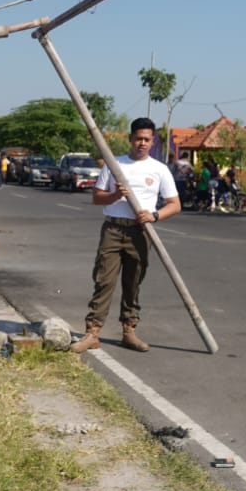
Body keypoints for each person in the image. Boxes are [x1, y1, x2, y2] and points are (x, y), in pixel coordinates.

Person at [70, 118, 181, 354]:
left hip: (141, 231)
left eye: (147, 139)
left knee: (133, 282)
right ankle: (92, 333)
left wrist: (155, 215)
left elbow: (174, 204)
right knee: (104, 281)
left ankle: (129, 331)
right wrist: (114, 196)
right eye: (138, 138)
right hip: (113, 229)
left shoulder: (159, 169)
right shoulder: (114, 164)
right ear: (130, 139)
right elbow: (96, 197)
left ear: (152, 142)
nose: (142, 143)